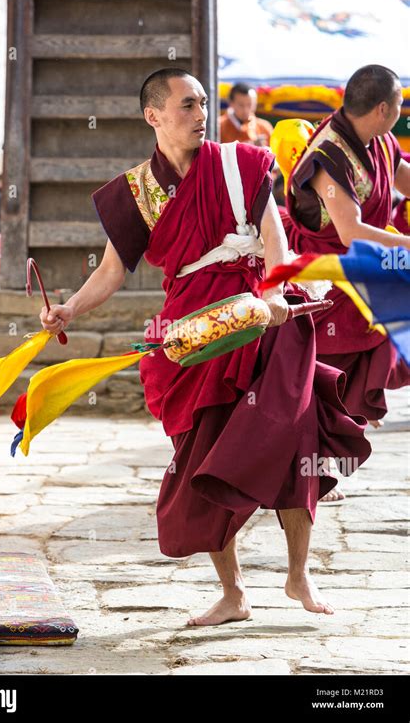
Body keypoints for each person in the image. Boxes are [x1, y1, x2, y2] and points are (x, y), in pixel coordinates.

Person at [39, 68, 371, 626]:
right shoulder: (140, 190)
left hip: (262, 312)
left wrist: (269, 298)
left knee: (295, 441)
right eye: (187, 106)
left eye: (201, 104)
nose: (199, 115)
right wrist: (71, 307)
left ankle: (298, 575)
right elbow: (115, 269)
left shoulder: (242, 162)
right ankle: (233, 592)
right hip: (195, 331)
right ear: (154, 117)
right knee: (204, 457)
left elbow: (275, 236)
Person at [280, 65, 410, 502]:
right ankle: (313, 462)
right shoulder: (328, 154)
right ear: (383, 108)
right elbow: (351, 231)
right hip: (327, 275)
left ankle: (329, 450)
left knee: (366, 355)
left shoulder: (378, 139)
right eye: (399, 105)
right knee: (325, 369)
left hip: (366, 267)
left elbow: (403, 178)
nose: (401, 111)